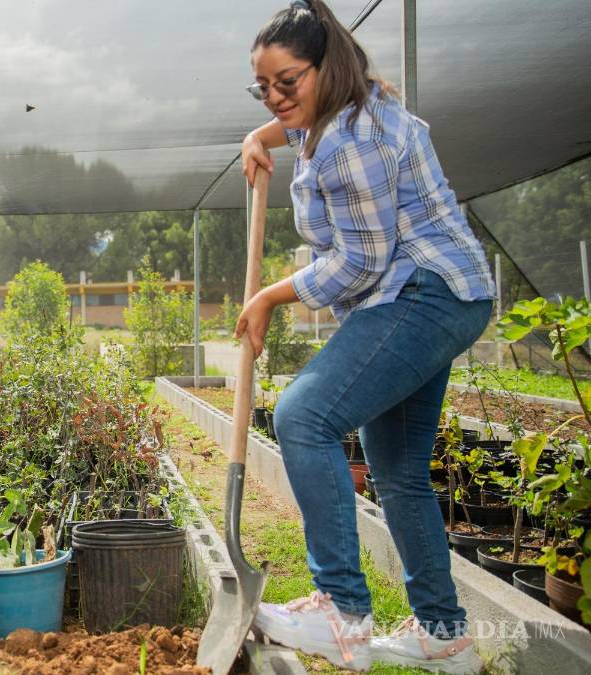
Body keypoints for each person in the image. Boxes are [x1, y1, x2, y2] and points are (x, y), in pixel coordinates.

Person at [237, 2, 494, 672]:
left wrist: (269, 295)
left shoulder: (355, 141)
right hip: (438, 293)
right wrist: (260, 137)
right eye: (263, 86)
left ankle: (341, 610)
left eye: (286, 82)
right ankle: (445, 634)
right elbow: (296, 127)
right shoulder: (334, 114)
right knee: (399, 470)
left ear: (326, 68)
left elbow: (359, 262)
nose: (276, 97)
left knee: (303, 414)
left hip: (421, 293)